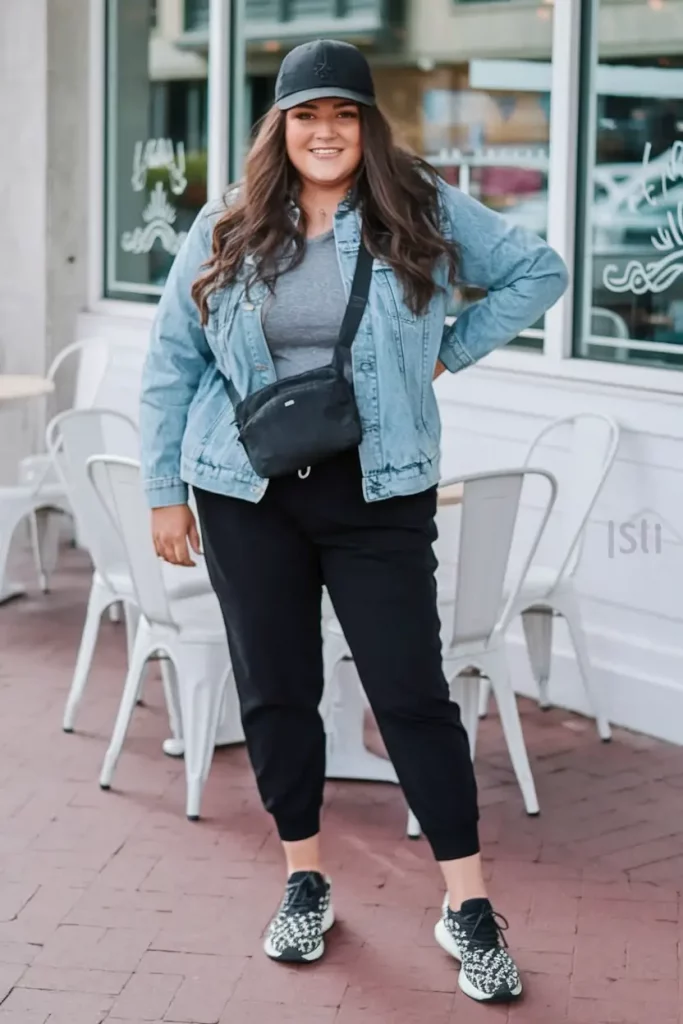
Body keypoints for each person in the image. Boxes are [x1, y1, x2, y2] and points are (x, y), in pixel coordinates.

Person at [140, 39, 568, 1005]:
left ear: (366, 125)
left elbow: (537, 271)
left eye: (342, 114)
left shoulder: (412, 203)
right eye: (305, 115)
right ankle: (305, 878)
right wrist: (163, 489)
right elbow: (173, 363)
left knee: (412, 693)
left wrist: (445, 354)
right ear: (280, 126)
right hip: (245, 491)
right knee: (277, 692)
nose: (324, 131)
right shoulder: (228, 221)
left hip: (379, 491)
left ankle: (466, 904)